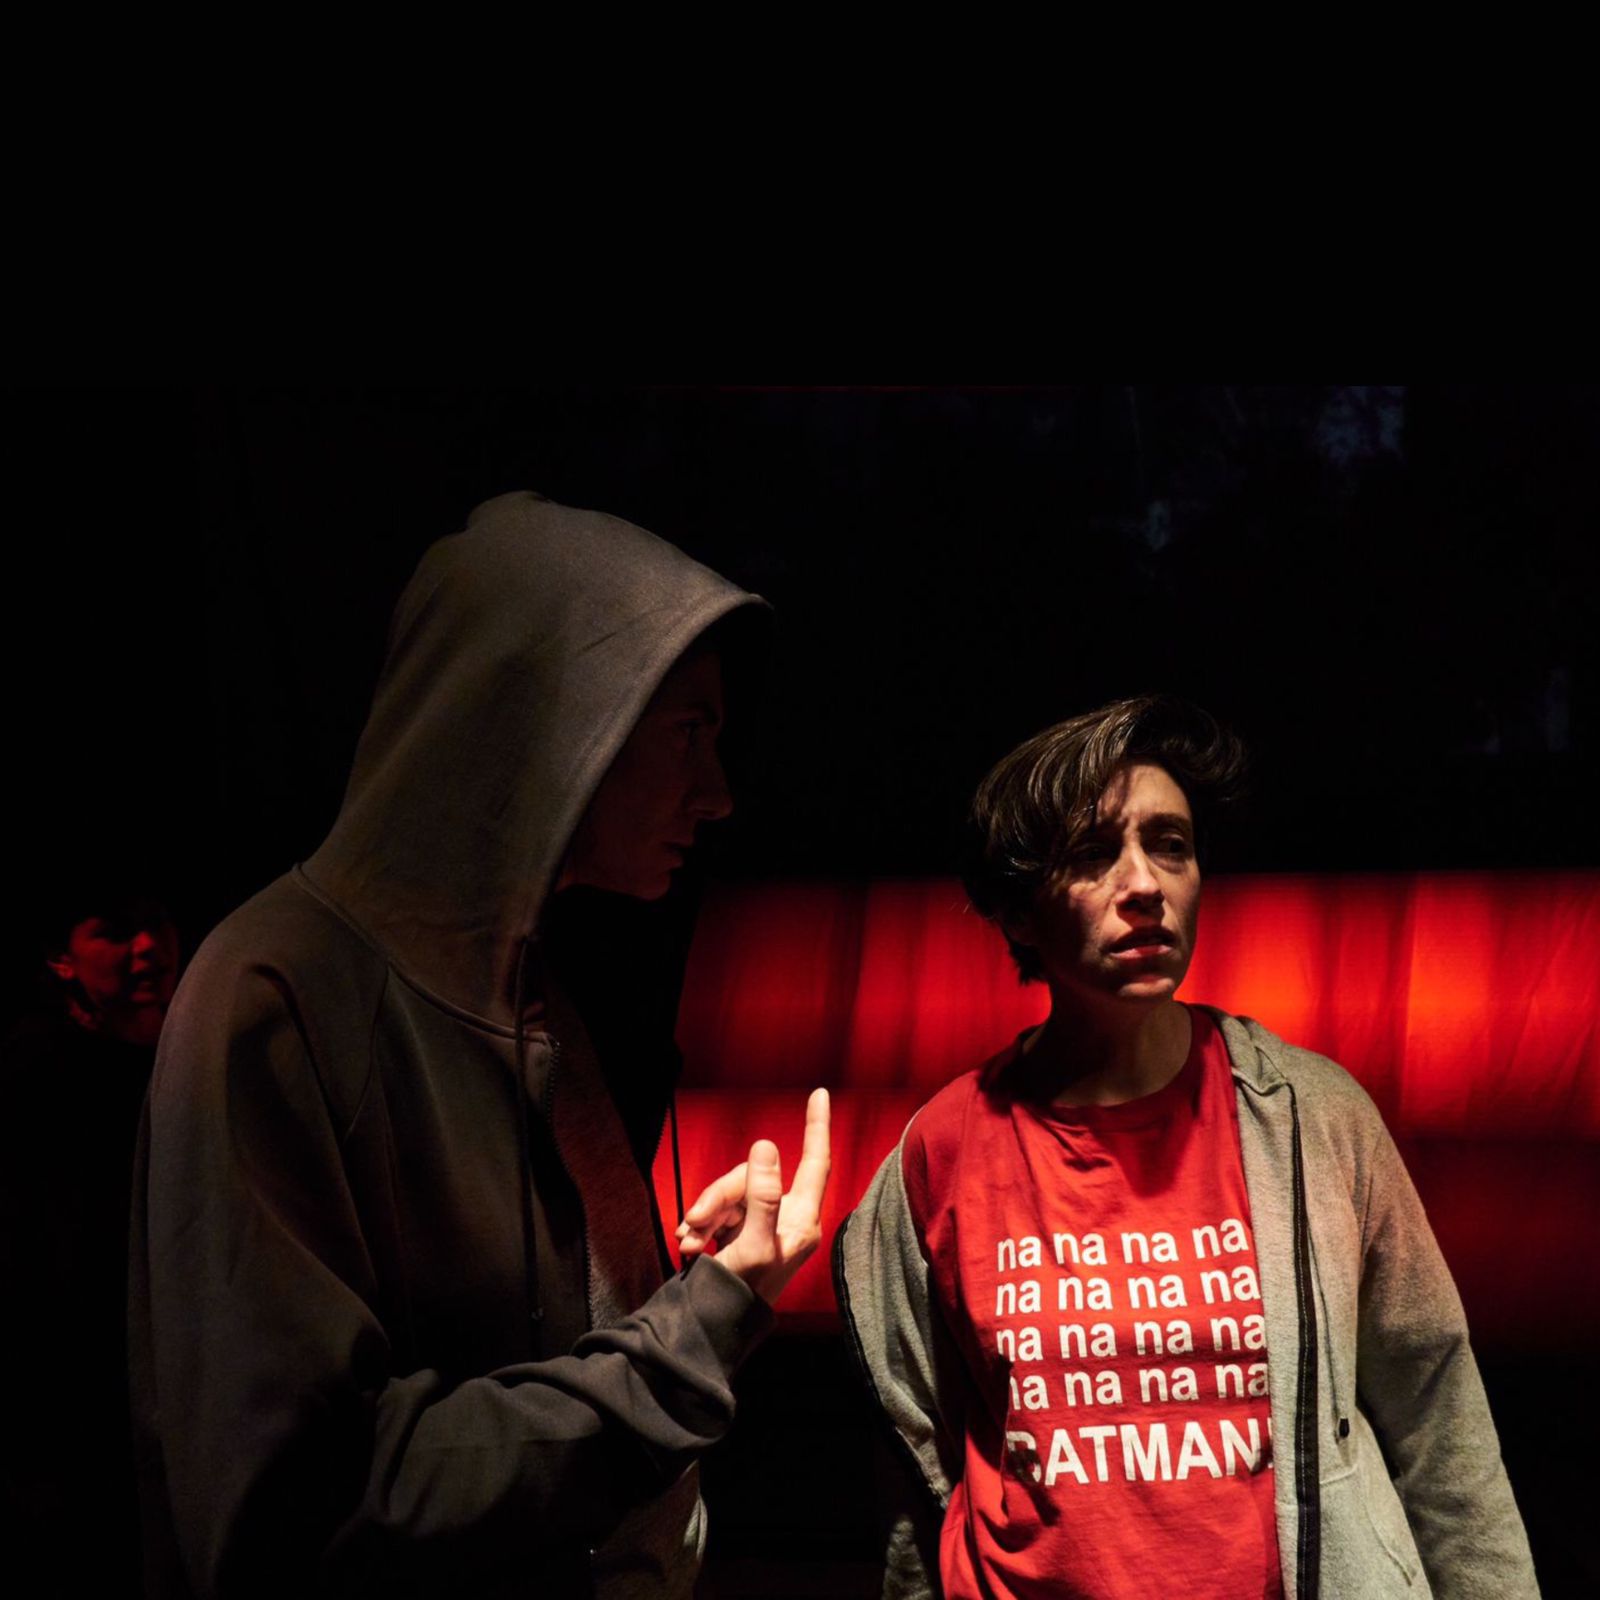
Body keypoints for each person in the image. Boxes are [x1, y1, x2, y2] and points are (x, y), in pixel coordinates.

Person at [131, 490, 830, 1598]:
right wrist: (693, 1335)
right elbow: (305, 1502)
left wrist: (676, 1286)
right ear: (549, 715)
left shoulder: (528, 985)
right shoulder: (274, 991)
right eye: (687, 732)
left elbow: (545, 1363)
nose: (718, 795)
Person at [834, 694, 1536, 1599]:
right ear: (1018, 910)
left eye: (1170, 845)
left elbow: (1438, 1414)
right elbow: (916, 1461)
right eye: (1094, 854)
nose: (1145, 885)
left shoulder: (1312, 1117)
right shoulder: (943, 1149)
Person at [1, 879, 179, 1588]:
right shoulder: (36, 1072)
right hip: (79, 1402)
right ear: (62, 958)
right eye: (115, 931)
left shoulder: (191, 1051)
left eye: (156, 921)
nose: (148, 948)